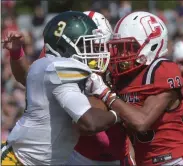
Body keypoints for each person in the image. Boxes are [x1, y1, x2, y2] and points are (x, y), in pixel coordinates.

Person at [2, 11, 134, 165]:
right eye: (91, 45)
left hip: (107, 152)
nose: (98, 52)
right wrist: (117, 108)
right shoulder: (59, 64)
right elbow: (87, 119)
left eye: (100, 45)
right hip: (67, 154)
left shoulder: (112, 60)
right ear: (69, 45)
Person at [84, 11, 183, 165]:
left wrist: (106, 93)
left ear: (151, 45)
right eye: (119, 47)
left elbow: (141, 122)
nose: (121, 53)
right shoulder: (121, 77)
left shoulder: (161, 70)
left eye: (129, 47)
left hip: (173, 160)